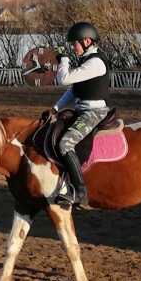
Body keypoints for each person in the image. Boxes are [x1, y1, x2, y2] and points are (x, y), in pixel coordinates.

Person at [47, 21, 111, 210]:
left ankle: (80, 192)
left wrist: (63, 60)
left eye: (74, 44)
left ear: (87, 41)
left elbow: (64, 79)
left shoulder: (96, 62)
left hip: (94, 112)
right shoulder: (87, 60)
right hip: (82, 109)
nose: (72, 48)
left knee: (65, 144)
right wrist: (56, 108)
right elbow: (73, 89)